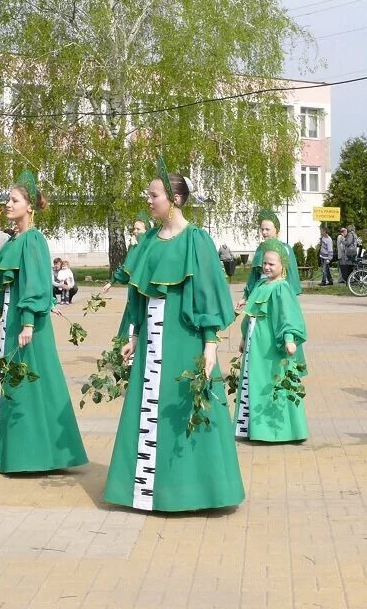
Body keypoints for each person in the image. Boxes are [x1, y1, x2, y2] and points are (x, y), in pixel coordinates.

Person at [104, 156, 243, 512]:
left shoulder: (196, 240)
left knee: (186, 408)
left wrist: (211, 343)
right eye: (147, 195)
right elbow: (138, 293)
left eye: (154, 195)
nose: (148, 200)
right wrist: (133, 335)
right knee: (150, 410)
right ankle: (148, 490)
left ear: (175, 199)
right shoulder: (149, 241)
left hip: (184, 339)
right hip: (151, 340)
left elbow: (209, 294)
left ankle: (199, 491)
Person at [0, 171, 88, 473]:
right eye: (8, 199)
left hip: (27, 325)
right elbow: (5, 286)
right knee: (12, 383)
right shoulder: (11, 241)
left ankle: (38, 454)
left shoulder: (34, 240)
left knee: (32, 381)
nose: (8, 204)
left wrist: (29, 324)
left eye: (14, 200)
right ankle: (11, 451)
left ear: (29, 206)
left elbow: (35, 284)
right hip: (12, 324)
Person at [235, 238, 308, 443]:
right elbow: (251, 314)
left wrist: (289, 339)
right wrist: (243, 338)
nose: (266, 267)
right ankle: (255, 429)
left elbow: (287, 316)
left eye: (271, 264)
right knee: (255, 382)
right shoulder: (259, 284)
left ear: (282, 265)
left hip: (270, 345)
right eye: (264, 263)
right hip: (254, 344)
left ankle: (278, 431)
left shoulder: (282, 288)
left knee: (273, 382)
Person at [101, 212, 153, 339]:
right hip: (135, 290)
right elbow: (126, 268)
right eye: (134, 229)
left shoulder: (147, 246)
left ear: (146, 230)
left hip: (144, 290)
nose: (135, 232)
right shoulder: (135, 247)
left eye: (138, 229)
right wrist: (111, 282)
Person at [238, 210, 302, 311]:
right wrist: (245, 297)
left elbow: (292, 275)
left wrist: (290, 297)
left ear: (276, 230)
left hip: (279, 293)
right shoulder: (260, 249)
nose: (264, 232)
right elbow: (254, 276)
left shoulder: (285, 249)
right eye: (262, 229)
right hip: (261, 292)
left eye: (267, 229)